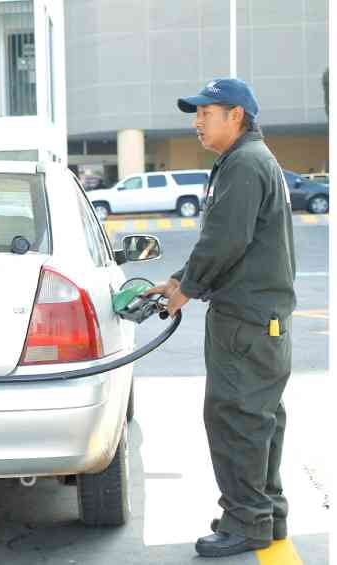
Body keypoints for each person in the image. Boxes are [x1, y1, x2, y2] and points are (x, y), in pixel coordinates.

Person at [146, 78, 295, 558]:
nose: (197, 121)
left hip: (246, 322)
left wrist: (185, 290)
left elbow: (225, 241)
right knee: (259, 420)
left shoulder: (245, 165)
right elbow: (230, 242)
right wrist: (178, 278)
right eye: (196, 113)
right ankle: (264, 515)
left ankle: (246, 523)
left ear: (236, 115)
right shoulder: (251, 161)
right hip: (262, 320)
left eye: (206, 112)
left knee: (236, 420)